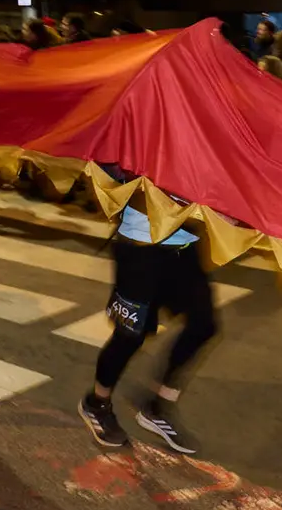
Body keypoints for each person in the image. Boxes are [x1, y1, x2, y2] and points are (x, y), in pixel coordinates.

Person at [78, 171, 223, 454]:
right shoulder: (144, 132)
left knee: (204, 325)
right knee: (131, 335)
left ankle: (156, 407)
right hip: (140, 247)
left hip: (184, 245)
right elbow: (109, 175)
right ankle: (97, 403)